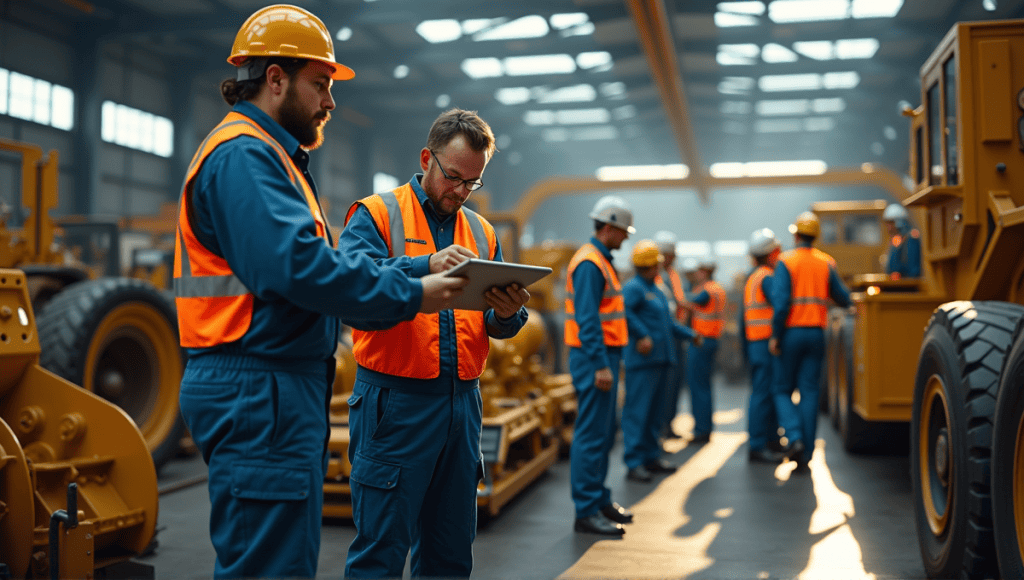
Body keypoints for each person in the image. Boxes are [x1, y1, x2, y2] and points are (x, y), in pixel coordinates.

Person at [173, 6, 465, 578]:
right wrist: (413, 295)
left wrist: (417, 274)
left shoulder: (270, 157)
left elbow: (318, 264)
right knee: (271, 568)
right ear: (275, 78)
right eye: (321, 84)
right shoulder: (245, 155)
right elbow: (300, 269)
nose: (331, 101)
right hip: (257, 385)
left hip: (270, 384)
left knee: (280, 561)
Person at [339, 108, 530, 579]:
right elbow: (348, 291)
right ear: (427, 158)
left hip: (463, 407)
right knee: (380, 554)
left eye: (473, 183)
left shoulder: (482, 232)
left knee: (449, 555)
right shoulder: (376, 215)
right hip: (394, 405)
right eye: (454, 177)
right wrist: (424, 265)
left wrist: (508, 315)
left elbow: (496, 322)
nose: (461, 192)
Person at [566, 194, 635, 536]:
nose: (625, 237)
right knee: (592, 435)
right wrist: (600, 364)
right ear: (608, 228)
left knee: (604, 433)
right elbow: (587, 318)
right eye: (622, 231)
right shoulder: (591, 263)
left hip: (603, 355)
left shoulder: (601, 260)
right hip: (594, 357)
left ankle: (598, 498)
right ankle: (586, 509)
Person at [770, 211, 852, 473]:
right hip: (817, 333)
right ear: (815, 235)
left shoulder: (786, 261)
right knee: (810, 393)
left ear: (795, 234)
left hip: (792, 333)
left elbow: (781, 305)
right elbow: (841, 296)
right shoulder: (826, 262)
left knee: (782, 389)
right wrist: (856, 304)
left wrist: (775, 335)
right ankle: (805, 454)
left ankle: (793, 437)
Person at [622, 240, 700, 482]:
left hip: (660, 360)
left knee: (655, 413)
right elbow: (624, 312)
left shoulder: (656, 290)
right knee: (638, 413)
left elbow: (667, 324)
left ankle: (651, 456)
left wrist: (690, 334)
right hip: (643, 363)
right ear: (649, 266)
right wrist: (642, 334)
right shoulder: (634, 288)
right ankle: (634, 462)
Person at [738, 228, 784, 464]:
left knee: (765, 392)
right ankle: (758, 444)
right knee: (763, 394)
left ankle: (770, 439)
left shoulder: (753, 276)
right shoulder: (766, 277)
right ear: (771, 253)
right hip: (765, 343)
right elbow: (780, 305)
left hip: (757, 343)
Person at [680, 257, 726, 444]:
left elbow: (687, 302)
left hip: (701, 341)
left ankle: (701, 430)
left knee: (698, 387)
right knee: (704, 386)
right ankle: (704, 427)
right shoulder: (717, 288)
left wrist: (675, 295)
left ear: (704, 272)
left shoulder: (707, 291)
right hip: (710, 341)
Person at [653, 230, 688, 440]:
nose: (673, 258)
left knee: (675, 384)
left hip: (676, 334)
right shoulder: (655, 277)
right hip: (665, 336)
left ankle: (668, 423)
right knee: (664, 386)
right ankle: (660, 426)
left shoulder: (673, 275)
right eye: (670, 254)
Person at [882, 202, 921, 279]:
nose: (888, 227)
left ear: (898, 222)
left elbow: (912, 269)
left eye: (890, 223)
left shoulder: (911, 239)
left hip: (908, 285)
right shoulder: (896, 240)